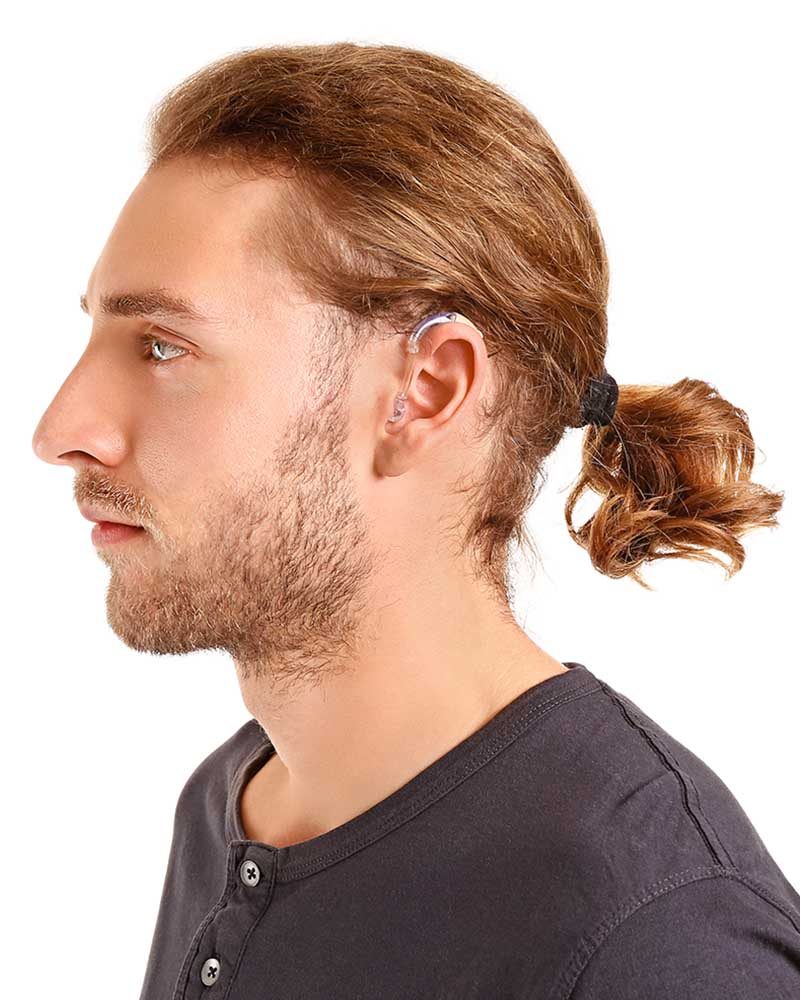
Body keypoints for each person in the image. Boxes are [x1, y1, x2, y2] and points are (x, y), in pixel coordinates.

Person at [31, 42, 798, 1000]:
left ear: (426, 393)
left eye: (160, 346)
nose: (61, 430)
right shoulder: (230, 807)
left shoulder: (659, 938)